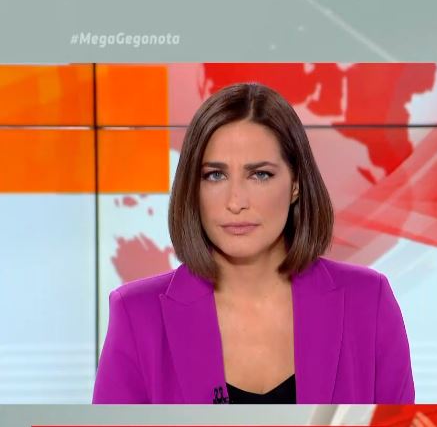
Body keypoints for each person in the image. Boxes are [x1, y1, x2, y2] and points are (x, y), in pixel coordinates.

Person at [93, 83, 414, 404]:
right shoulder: (137, 315)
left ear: (295, 184)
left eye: (259, 175)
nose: (236, 202)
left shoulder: (368, 303)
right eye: (215, 175)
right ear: (193, 187)